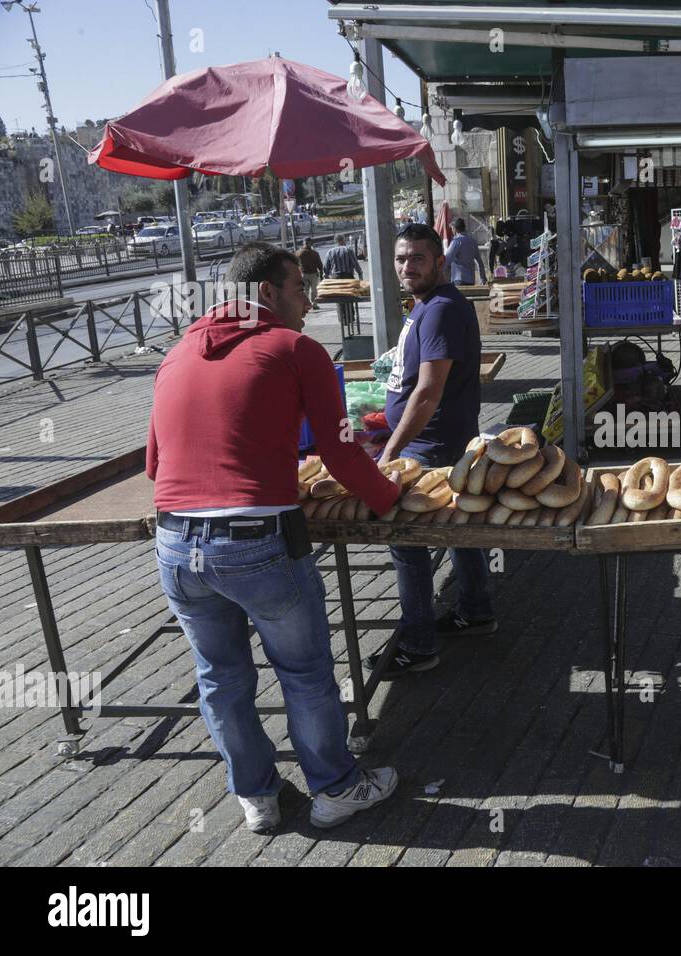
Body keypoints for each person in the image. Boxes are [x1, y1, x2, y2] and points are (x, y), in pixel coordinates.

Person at [146, 241, 401, 834]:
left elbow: (156, 465)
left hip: (176, 545)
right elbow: (338, 450)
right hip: (257, 541)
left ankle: (256, 797)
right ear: (265, 293)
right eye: (300, 289)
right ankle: (336, 788)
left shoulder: (177, 351)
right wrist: (390, 499)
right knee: (306, 672)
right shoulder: (295, 349)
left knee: (220, 677)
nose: (309, 303)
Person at [366, 222, 495, 678]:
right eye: (401, 258)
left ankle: (419, 643)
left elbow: (427, 393)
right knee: (458, 530)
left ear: (439, 261)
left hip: (430, 447)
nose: (406, 267)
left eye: (417, 258)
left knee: (408, 543)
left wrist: (390, 451)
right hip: (438, 442)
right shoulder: (426, 305)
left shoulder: (439, 309)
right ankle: (476, 609)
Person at [445, 217, 487, 285]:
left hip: (458, 279)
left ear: (454, 229)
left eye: (452, 228)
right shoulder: (473, 242)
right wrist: (483, 277)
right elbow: (479, 262)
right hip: (470, 280)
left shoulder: (456, 242)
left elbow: (447, 260)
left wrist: (440, 278)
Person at [298, 237, 323, 308]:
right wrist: (321, 275)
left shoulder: (298, 253)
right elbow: (320, 265)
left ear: (303, 243)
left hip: (303, 274)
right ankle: (314, 304)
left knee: (305, 291)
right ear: (311, 244)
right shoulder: (315, 253)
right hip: (313, 274)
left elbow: (295, 265)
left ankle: (306, 305)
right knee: (314, 290)